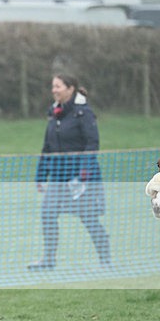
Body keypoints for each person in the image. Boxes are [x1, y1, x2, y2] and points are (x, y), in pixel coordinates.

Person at [28, 73, 110, 271]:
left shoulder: (84, 113)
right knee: (47, 213)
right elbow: (47, 146)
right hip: (57, 177)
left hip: (80, 179)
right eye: (53, 86)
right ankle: (48, 260)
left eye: (58, 86)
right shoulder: (54, 114)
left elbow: (92, 143)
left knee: (89, 218)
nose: (54, 90)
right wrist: (41, 176)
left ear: (70, 88)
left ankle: (105, 261)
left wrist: (84, 172)